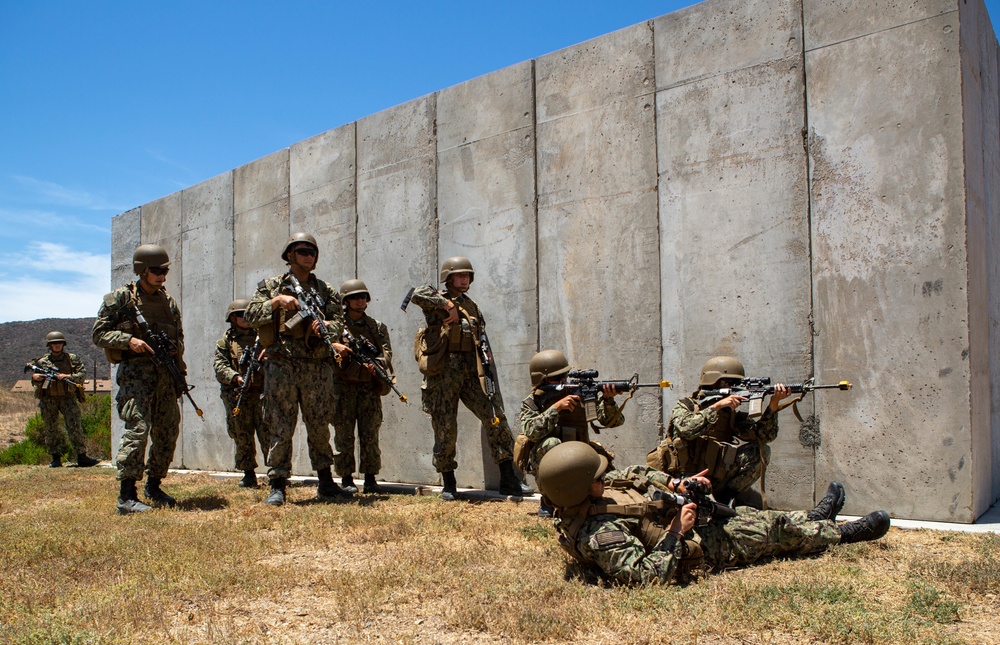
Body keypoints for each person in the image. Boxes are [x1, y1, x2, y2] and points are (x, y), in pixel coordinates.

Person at [537, 442, 890, 586]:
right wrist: (677, 531)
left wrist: (677, 483)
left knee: (758, 517)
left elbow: (636, 473)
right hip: (696, 547)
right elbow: (645, 577)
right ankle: (842, 533)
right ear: (582, 488)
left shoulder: (588, 493)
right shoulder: (600, 536)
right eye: (597, 476)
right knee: (773, 530)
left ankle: (814, 518)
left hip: (690, 521)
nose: (605, 476)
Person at [410, 256, 531, 500]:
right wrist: (447, 305)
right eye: (459, 275)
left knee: (495, 418)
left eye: (467, 275)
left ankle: (508, 477)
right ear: (449, 277)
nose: (464, 279)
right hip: (443, 375)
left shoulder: (472, 305)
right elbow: (416, 293)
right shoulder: (436, 301)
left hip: (471, 374)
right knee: (445, 427)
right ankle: (449, 482)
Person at [244, 232, 351, 506]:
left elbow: (340, 321)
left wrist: (328, 327)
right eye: (303, 251)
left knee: (319, 424)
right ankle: (277, 484)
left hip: (317, 365)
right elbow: (250, 316)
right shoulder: (271, 286)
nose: (308, 256)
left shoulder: (324, 289)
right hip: (282, 364)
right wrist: (276, 302)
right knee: (280, 424)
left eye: (312, 252)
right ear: (290, 255)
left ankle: (326, 483)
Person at [93, 244, 185, 514]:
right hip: (136, 377)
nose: (162, 276)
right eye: (157, 271)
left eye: (165, 271)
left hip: (166, 377)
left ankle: (154, 485)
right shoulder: (120, 298)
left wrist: (180, 373)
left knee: (168, 431)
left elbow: (179, 340)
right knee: (138, 429)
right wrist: (128, 340)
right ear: (142, 270)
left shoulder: (168, 302)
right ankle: (126, 495)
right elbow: (98, 334)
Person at [648, 356, 790, 507]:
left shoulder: (730, 414)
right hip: (680, 480)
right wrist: (716, 407)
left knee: (759, 451)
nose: (734, 387)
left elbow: (764, 436)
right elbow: (686, 429)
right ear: (712, 381)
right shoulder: (687, 405)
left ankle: (725, 500)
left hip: (715, 480)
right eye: (729, 383)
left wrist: (773, 406)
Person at [516, 349, 622, 516]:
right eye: (557, 378)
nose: (563, 381)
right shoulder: (533, 402)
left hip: (579, 453)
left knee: (608, 469)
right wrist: (556, 408)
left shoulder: (578, 393)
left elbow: (611, 421)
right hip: (548, 459)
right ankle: (548, 500)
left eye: (565, 376)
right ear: (541, 380)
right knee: (552, 445)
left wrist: (609, 400)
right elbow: (531, 431)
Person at [330, 279, 394, 494]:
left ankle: (370, 478)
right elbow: (322, 352)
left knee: (370, 434)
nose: (359, 301)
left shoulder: (376, 327)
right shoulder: (336, 327)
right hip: (342, 387)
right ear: (345, 301)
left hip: (368, 387)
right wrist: (337, 349)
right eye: (354, 298)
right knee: (343, 435)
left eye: (362, 297)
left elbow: (387, 355)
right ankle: (346, 478)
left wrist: (375, 364)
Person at [213, 299, 268, 488]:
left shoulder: (262, 338)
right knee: (242, 434)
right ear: (232, 318)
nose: (244, 318)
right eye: (240, 315)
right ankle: (248, 473)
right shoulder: (226, 341)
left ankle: (276, 472)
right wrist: (235, 377)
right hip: (238, 394)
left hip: (261, 392)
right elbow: (220, 366)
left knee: (268, 432)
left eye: (247, 314)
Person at [28, 331, 99, 468]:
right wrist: (35, 377)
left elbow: (82, 374)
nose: (57, 345)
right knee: (51, 428)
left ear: (63, 344)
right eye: (54, 343)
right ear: (49, 345)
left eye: (59, 343)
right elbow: (35, 379)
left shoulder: (72, 359)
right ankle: (55, 458)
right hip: (49, 399)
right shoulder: (42, 362)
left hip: (68, 398)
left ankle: (82, 457)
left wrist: (67, 376)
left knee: (75, 427)